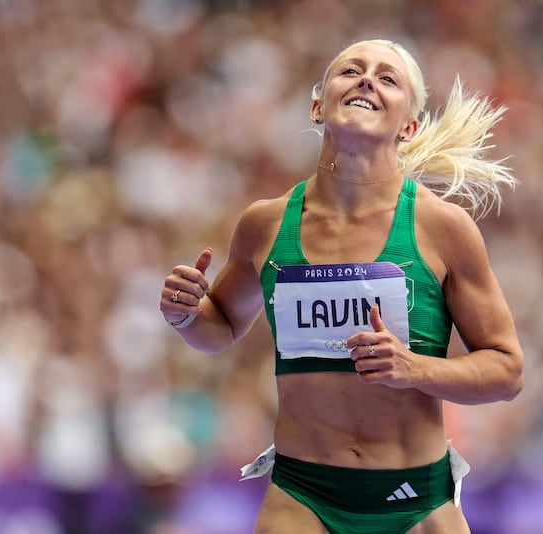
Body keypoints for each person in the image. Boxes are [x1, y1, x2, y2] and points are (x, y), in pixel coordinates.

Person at [159, 38, 524, 534]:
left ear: (409, 127)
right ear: (317, 104)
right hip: (302, 497)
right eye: (351, 70)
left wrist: (415, 368)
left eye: (388, 78)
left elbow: (506, 371)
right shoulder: (265, 225)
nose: (367, 78)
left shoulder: (443, 229)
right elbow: (220, 326)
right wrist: (186, 315)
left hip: (416, 502)